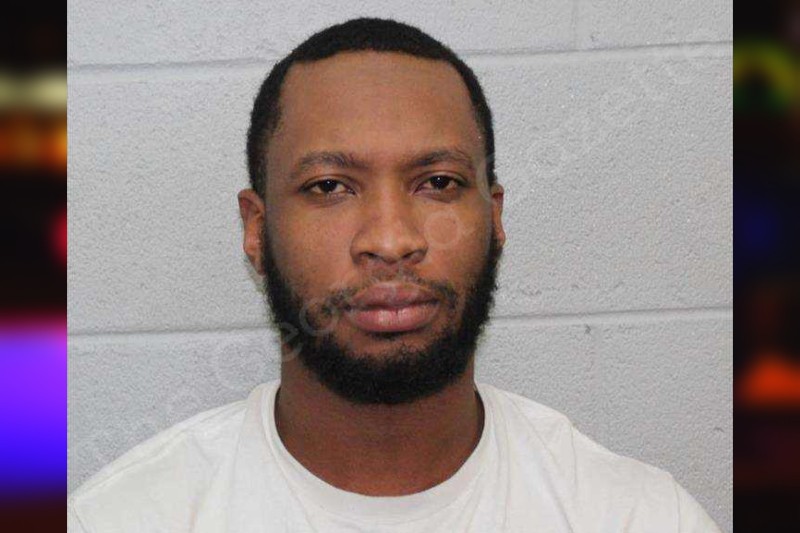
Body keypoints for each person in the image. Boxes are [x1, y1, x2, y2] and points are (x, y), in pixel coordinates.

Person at [68, 17, 721, 532]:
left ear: (494, 217)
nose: (390, 240)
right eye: (329, 186)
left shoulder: (637, 517)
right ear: (256, 230)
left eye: (438, 182)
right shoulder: (125, 518)